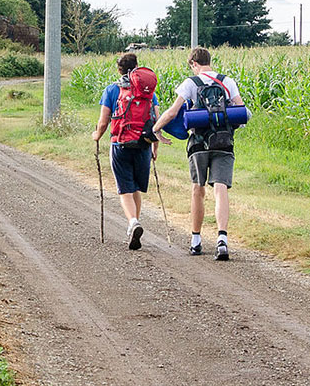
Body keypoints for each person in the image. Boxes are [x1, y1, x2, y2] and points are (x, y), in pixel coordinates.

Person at [153, 47, 244, 261]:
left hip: (198, 144)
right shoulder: (227, 81)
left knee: (198, 189)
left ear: (194, 63)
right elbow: (241, 111)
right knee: (220, 189)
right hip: (224, 142)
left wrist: (156, 129)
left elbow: (173, 112)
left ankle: (196, 240)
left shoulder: (191, 84)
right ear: (209, 61)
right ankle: (222, 239)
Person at [91, 53, 160, 250]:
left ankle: (132, 223)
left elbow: (104, 121)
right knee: (136, 187)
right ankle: (135, 224)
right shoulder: (148, 91)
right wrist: (155, 146)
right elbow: (156, 120)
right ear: (137, 67)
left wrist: (97, 135)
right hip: (143, 144)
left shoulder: (112, 90)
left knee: (125, 190)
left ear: (119, 69)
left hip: (120, 144)